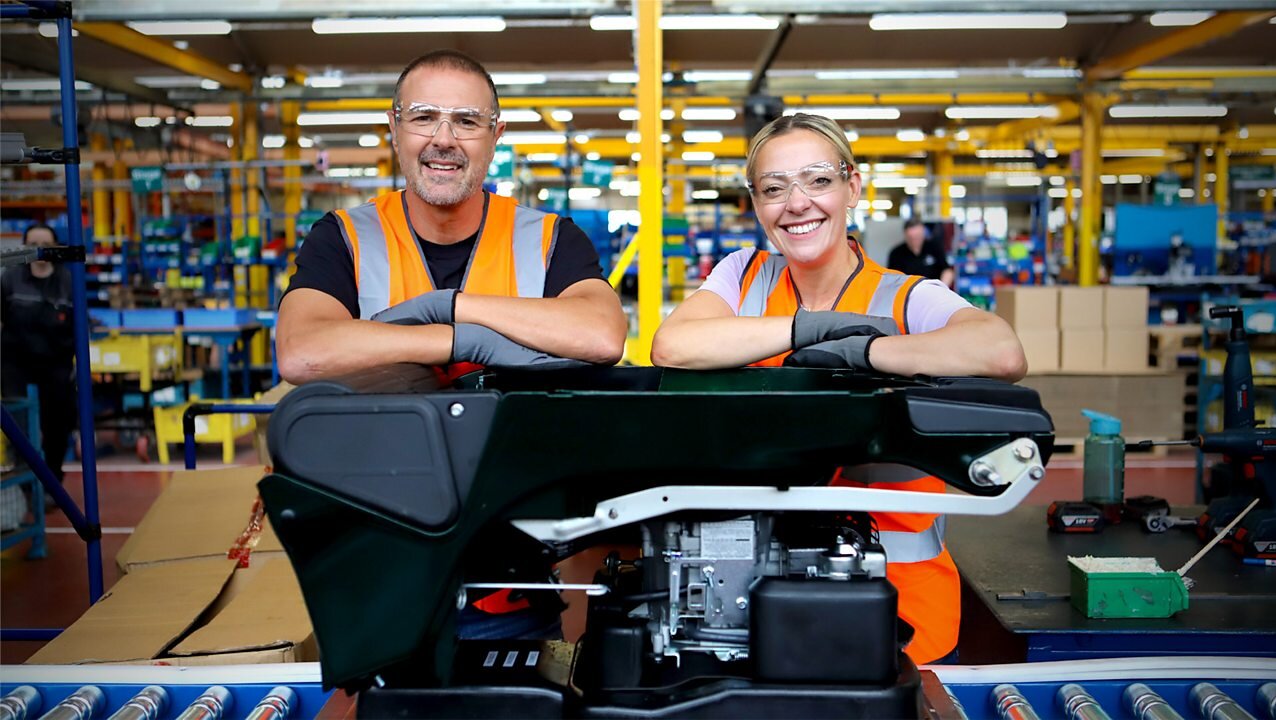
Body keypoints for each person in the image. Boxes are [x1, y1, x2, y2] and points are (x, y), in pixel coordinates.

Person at [650, 113, 1026, 665]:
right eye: (774, 188)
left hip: (896, 615)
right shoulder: (743, 276)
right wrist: (806, 330)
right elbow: (672, 345)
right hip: (744, 605)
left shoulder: (906, 298)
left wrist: (868, 351)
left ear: (853, 186)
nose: (796, 203)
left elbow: (1000, 352)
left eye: (818, 180)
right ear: (756, 204)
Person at [276, 50, 628, 637]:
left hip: (512, 573)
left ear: (495, 136)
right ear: (393, 128)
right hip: (382, 566)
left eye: (466, 121)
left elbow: (601, 334)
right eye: (424, 117)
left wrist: (453, 305)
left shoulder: (547, 238)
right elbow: (302, 352)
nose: (444, 138)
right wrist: (453, 340)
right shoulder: (345, 238)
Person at [1, 223, 76, 488]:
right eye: (33, 243)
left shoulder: (68, 281)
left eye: (45, 244)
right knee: (18, 425)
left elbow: (80, 324)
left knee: (57, 425)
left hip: (55, 363)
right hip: (15, 363)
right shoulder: (10, 278)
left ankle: (52, 483)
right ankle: (24, 487)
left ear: (55, 247)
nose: (39, 250)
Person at [888, 217, 954, 286]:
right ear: (905, 235)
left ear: (923, 233)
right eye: (911, 238)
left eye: (917, 236)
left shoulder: (934, 248)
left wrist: (942, 287)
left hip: (933, 291)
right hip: (908, 293)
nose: (914, 240)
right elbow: (891, 279)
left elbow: (947, 271)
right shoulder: (896, 254)